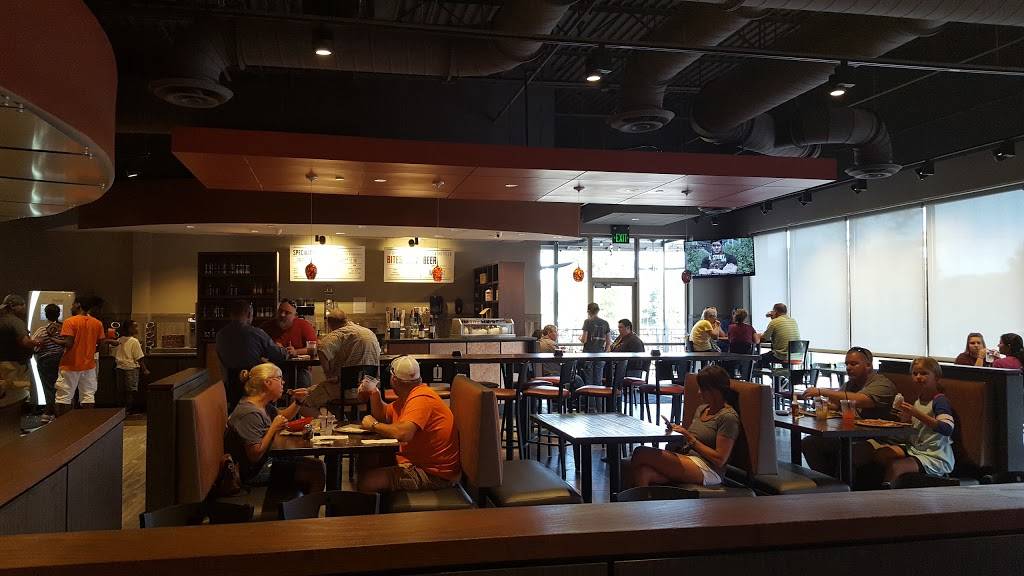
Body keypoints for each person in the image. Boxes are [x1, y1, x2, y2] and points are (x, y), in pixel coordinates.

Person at [356, 356, 461, 492]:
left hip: (435, 475)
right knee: (368, 459)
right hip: (424, 466)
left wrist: (373, 425)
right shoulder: (411, 395)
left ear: (394, 380)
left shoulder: (421, 398)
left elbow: (404, 434)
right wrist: (374, 393)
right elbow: (384, 414)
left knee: (368, 481)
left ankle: (373, 505)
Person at [628, 365, 740, 487]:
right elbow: (693, 438)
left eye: (702, 389)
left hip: (709, 469)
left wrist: (689, 437)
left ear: (714, 391)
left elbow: (720, 460)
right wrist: (677, 431)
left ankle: (625, 497)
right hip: (689, 458)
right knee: (643, 472)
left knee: (641, 452)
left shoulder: (728, 417)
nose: (699, 392)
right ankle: (638, 499)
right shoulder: (702, 409)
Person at [225, 363, 324, 493]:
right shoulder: (250, 413)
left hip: (267, 461)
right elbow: (254, 455)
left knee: (318, 465)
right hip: (255, 472)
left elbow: (283, 416)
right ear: (267, 382)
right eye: (279, 378)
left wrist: (298, 401)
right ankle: (309, 506)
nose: (283, 382)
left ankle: (306, 504)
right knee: (315, 472)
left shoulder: (261, 405)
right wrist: (273, 428)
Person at [800, 346, 898, 479]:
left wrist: (821, 391)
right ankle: (829, 482)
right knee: (810, 443)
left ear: (868, 365)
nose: (848, 368)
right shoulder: (851, 384)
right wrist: (824, 404)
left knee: (851, 451)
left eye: (854, 364)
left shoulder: (883, 384)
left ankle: (842, 486)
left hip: (879, 438)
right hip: (854, 434)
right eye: (847, 364)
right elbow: (837, 405)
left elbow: (861, 400)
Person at [871, 357, 955, 484]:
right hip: (915, 448)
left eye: (924, 373)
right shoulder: (919, 399)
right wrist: (906, 419)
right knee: (881, 454)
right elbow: (918, 427)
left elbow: (946, 428)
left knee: (896, 466)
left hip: (935, 455)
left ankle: (887, 493)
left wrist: (916, 413)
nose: (918, 377)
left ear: (936, 377)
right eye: (915, 374)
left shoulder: (940, 401)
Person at [303, 309, 381, 414]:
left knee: (300, 401)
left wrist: (328, 373)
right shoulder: (369, 332)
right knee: (324, 396)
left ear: (329, 324)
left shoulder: (339, 333)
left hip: (346, 390)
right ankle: (340, 419)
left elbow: (321, 349)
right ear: (346, 319)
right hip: (371, 388)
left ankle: (331, 422)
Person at [216, 300, 288, 412]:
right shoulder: (256, 333)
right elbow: (279, 355)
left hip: (229, 387)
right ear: (249, 314)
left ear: (231, 315)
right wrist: (283, 350)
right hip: (255, 386)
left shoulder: (220, 335)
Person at [54, 297, 109, 415]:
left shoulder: (70, 321)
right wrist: (91, 351)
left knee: (64, 396)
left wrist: (53, 340)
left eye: (72, 304)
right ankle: (87, 422)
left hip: (70, 364)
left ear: (78, 305)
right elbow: (103, 344)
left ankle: (62, 423)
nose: (71, 307)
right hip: (89, 365)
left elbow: (68, 343)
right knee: (88, 396)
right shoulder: (97, 323)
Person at [261, 299, 318, 389]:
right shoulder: (267, 326)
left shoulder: (304, 325)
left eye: (287, 313)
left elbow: (314, 348)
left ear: (295, 315)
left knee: (301, 378)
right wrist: (274, 348)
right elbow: (258, 348)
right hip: (272, 368)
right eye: (280, 311)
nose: (282, 315)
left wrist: (296, 352)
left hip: (299, 369)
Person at [0, 294, 40, 397]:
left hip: (3, 363)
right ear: (13, 306)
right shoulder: (15, 322)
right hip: (15, 365)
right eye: (22, 305)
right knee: (18, 392)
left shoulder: (2, 320)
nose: (24, 309)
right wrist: (38, 342)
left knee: (6, 392)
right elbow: (25, 342)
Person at [31, 304, 64, 418]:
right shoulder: (63, 328)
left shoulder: (42, 330)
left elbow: (34, 344)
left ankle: (50, 410)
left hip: (46, 360)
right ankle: (58, 410)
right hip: (61, 360)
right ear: (59, 314)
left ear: (46, 315)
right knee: (60, 386)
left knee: (48, 386)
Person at [113, 320, 149, 413]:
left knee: (121, 390)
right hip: (131, 368)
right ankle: (129, 409)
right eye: (135, 327)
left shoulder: (120, 339)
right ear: (129, 328)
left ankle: (120, 410)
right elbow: (139, 357)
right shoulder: (134, 341)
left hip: (120, 367)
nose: (137, 328)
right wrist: (144, 369)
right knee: (130, 390)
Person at [758, 303, 800, 368]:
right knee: (783, 355)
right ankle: (785, 374)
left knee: (760, 358)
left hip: (782, 355)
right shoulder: (793, 320)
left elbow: (763, 339)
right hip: (796, 355)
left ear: (775, 312)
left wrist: (758, 336)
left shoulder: (774, 322)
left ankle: (772, 374)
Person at [580, 303, 610, 387]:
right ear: (598, 311)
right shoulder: (605, 323)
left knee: (589, 380)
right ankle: (598, 395)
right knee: (598, 380)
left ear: (588, 311)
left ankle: (590, 396)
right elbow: (608, 342)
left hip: (588, 354)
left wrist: (580, 339)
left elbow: (584, 340)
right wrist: (605, 352)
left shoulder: (587, 321)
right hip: (600, 354)